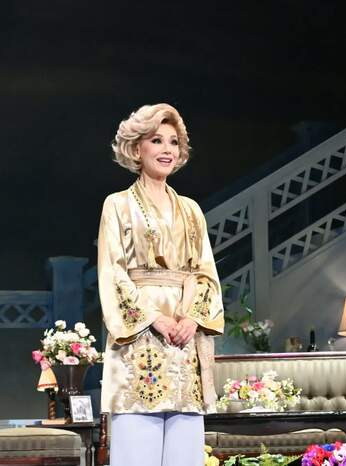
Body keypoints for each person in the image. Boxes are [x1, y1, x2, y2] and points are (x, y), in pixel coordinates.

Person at [98, 103, 224, 466]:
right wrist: (155, 318)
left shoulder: (191, 210)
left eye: (173, 141)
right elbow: (112, 272)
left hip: (185, 340)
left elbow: (205, 272)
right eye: (157, 140)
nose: (167, 149)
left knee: (185, 453)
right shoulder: (118, 205)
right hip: (140, 339)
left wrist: (193, 319)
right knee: (137, 450)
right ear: (137, 148)